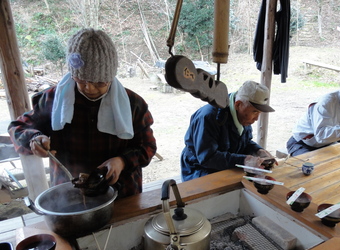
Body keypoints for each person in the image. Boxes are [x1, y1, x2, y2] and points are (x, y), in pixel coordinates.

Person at [8, 28, 157, 198]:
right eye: (81, 81)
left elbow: (148, 147)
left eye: (100, 83)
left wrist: (122, 161)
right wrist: (34, 139)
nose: (89, 88)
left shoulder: (133, 104)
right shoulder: (53, 100)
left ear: (111, 77)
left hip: (122, 192)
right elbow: (17, 128)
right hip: (68, 194)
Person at [180, 80, 276, 181]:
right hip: (199, 170)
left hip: (225, 165)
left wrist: (258, 150)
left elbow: (245, 142)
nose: (256, 118)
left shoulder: (242, 114)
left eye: (259, 113)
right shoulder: (208, 117)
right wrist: (245, 160)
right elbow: (207, 158)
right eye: (255, 112)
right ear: (238, 104)